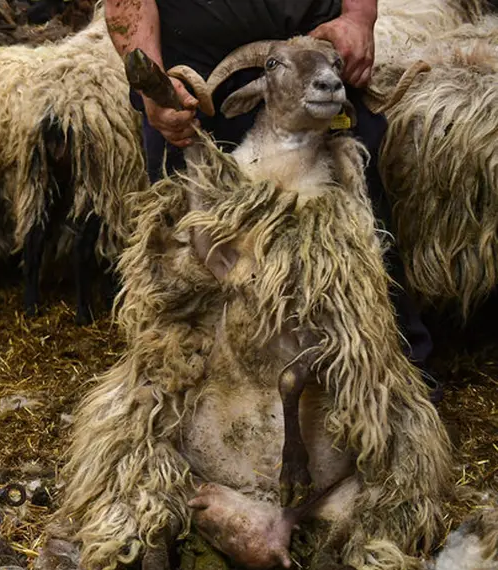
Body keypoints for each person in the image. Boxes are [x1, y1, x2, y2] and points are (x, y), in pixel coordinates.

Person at [105, 0, 441, 401]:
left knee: (354, 221)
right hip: (198, 81)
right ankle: (185, 399)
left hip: (309, 55)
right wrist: (152, 83)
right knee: (190, 251)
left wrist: (357, 17)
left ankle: (394, 378)